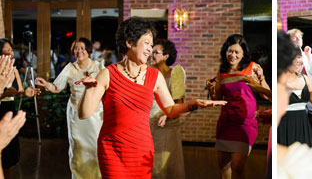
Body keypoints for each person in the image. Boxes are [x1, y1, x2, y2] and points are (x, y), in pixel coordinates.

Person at [76, 17, 225, 178]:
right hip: (113, 150)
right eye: (146, 43)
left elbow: (170, 110)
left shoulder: (155, 76)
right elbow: (84, 114)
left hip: (142, 150)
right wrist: (89, 90)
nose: (149, 49)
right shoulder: (108, 74)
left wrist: (194, 104)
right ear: (129, 42)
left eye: (151, 44)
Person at [34, 37, 105, 179]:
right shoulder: (70, 67)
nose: (79, 51)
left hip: (95, 112)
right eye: (76, 48)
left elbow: (107, 86)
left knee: (95, 146)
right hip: (75, 113)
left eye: (82, 48)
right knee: (77, 147)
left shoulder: (99, 66)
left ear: (89, 50)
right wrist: (46, 84)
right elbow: (56, 87)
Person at [203, 34, 268, 179]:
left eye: (236, 52)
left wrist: (261, 77)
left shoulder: (252, 68)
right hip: (226, 122)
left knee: (237, 167)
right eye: (229, 51)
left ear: (243, 54)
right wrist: (211, 88)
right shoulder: (222, 71)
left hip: (245, 123)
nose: (232, 55)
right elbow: (218, 98)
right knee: (223, 165)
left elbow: (266, 95)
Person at [275, 31, 312, 179]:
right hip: (285, 124)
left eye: (299, 58)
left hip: (303, 124)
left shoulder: (306, 78)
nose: (298, 62)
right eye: (294, 59)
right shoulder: (280, 81)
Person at [146, 39, 188, 178]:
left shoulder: (175, 73)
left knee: (164, 165)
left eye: (156, 52)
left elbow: (179, 102)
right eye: (151, 52)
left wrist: (166, 115)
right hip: (147, 125)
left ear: (166, 56)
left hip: (166, 124)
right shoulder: (148, 74)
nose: (151, 55)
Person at [0, 38, 38, 178]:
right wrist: (3, 94)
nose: (11, 53)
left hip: (10, 109)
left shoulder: (14, 70)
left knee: (9, 155)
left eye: (11, 50)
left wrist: (27, 92)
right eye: (7, 50)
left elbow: (20, 91)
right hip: (0, 109)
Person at [287, 28, 312, 149]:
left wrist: (309, 57)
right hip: (293, 100)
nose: (298, 39)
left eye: (300, 37)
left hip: (310, 98)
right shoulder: (284, 57)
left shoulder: (307, 56)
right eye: (294, 37)